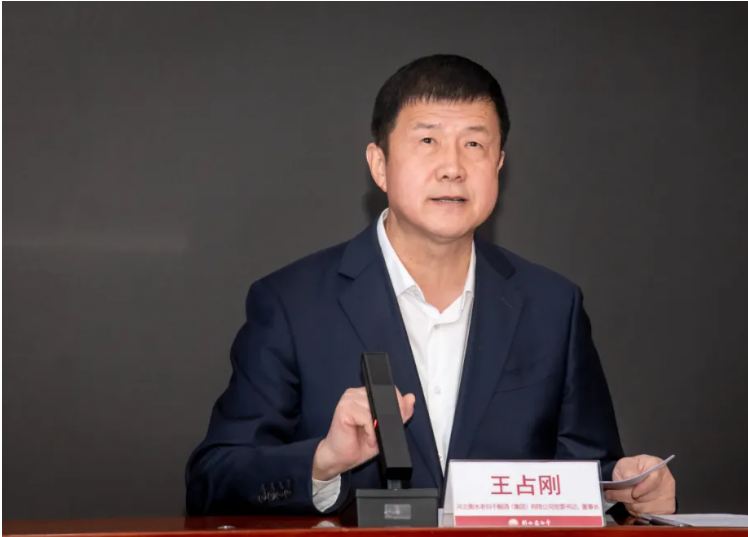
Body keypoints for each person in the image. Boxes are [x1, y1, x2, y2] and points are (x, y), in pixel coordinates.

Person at [185, 54, 676, 518]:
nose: (452, 167)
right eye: (427, 141)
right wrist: (323, 462)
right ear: (379, 164)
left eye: (474, 144)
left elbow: (587, 474)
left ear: (499, 164)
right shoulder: (293, 303)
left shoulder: (552, 306)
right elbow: (213, 480)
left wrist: (625, 487)